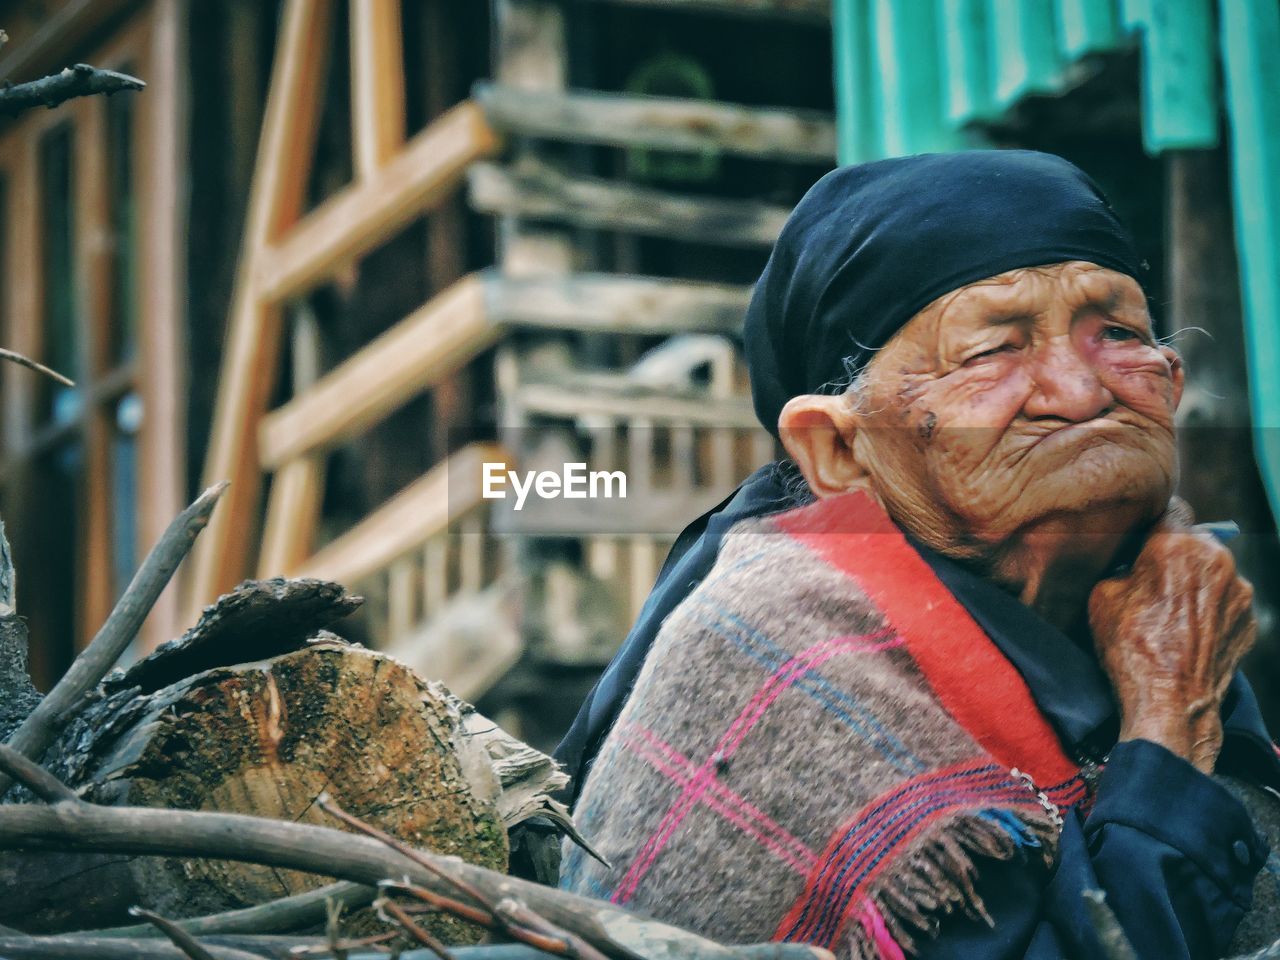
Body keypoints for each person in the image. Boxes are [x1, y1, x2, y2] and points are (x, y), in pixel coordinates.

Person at [553, 151, 1280, 959]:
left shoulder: (1163, 598)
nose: (1080, 391)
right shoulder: (789, 651)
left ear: (1172, 381)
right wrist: (1165, 728)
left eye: (1117, 333)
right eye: (992, 352)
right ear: (837, 449)